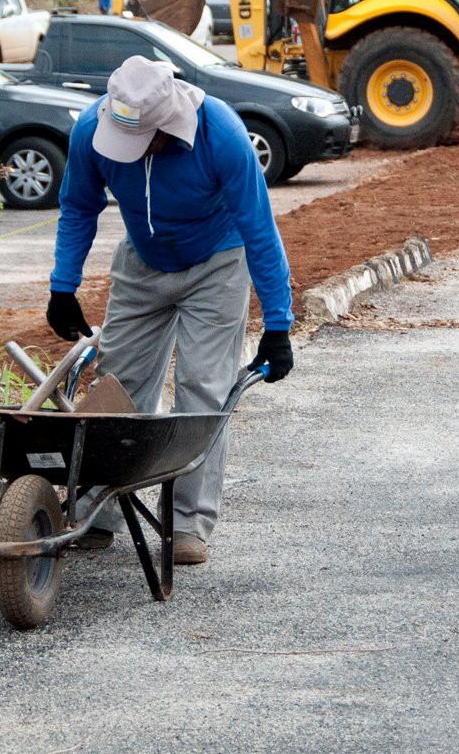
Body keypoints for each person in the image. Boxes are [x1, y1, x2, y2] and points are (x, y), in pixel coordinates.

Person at [47, 55, 294, 566]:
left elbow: (260, 229)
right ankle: (98, 506)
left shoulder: (219, 133)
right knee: (120, 382)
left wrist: (278, 324)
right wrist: (63, 285)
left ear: (165, 124)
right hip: (143, 261)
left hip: (217, 263)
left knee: (203, 387)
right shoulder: (94, 127)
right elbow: (78, 206)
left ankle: (188, 523)